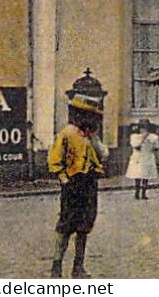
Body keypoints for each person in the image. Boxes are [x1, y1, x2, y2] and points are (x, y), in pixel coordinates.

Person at [48, 71, 108, 278]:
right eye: (84, 114)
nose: (87, 118)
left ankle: (78, 267)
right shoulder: (66, 133)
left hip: (89, 183)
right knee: (65, 226)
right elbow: (55, 160)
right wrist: (64, 180)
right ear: (76, 114)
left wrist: (93, 139)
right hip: (73, 183)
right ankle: (56, 267)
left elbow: (104, 154)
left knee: (84, 226)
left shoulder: (91, 136)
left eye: (91, 115)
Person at [126, 118, 159, 199]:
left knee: (146, 177)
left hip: (147, 158)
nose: (144, 130)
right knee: (137, 176)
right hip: (138, 158)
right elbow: (135, 145)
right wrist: (143, 138)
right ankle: (137, 192)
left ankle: (143, 193)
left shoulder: (153, 137)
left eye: (145, 128)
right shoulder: (134, 137)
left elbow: (157, 146)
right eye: (142, 127)